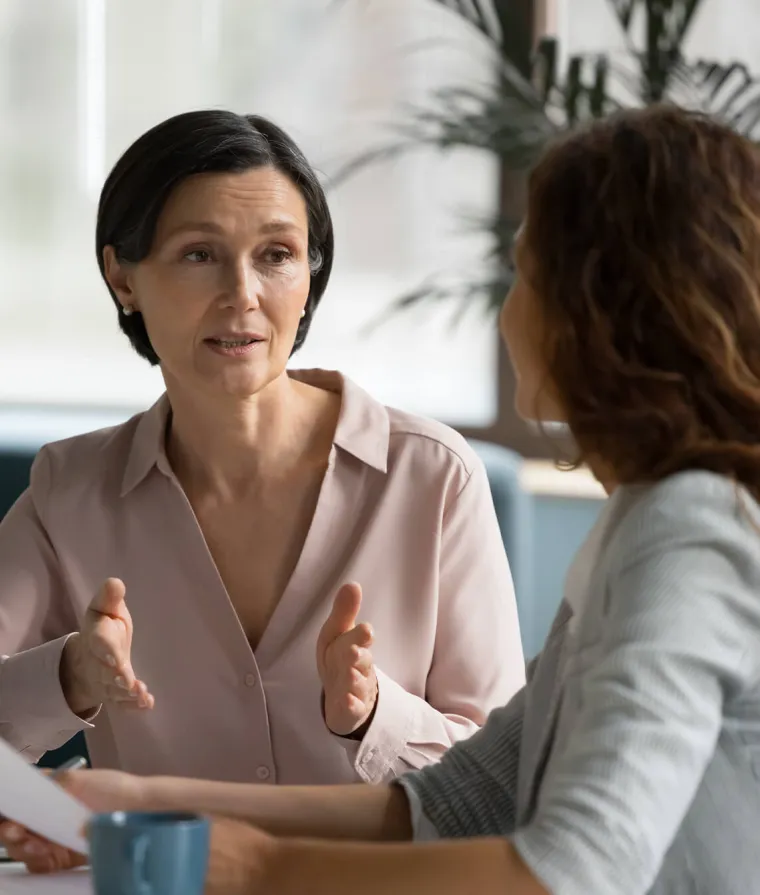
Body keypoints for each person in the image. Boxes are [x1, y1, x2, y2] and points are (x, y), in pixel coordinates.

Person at [7, 103, 760, 894]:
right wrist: (136, 800)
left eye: (526, 275)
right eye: (199, 254)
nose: (506, 313)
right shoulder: (644, 522)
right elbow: (464, 799)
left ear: (605, 314)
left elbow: (574, 868)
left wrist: (252, 862)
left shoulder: (687, 533)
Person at [0, 110, 525, 787]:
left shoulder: (433, 478)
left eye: (276, 256)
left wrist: (373, 717)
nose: (242, 295)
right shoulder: (69, 490)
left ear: (309, 276)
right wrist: (69, 676)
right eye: (200, 254)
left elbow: (504, 783)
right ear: (123, 279)